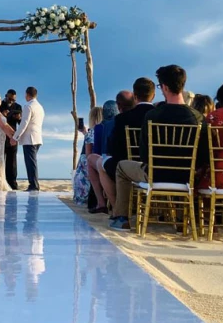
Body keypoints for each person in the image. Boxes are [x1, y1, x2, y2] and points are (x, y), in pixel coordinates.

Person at [110, 65, 208, 231]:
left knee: (121, 167)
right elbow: (203, 154)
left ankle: (122, 218)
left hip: (156, 175)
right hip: (186, 176)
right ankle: (180, 219)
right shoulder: (197, 117)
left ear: (165, 87)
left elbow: (144, 154)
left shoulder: (153, 116)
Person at [98, 78, 155, 210]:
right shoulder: (159, 116)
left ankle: (117, 210)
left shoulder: (122, 118)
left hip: (130, 166)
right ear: (153, 95)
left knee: (102, 163)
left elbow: (114, 149)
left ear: (135, 95)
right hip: (157, 167)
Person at [86, 100, 119, 213]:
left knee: (92, 160)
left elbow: (96, 152)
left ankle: (101, 202)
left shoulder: (100, 127)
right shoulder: (122, 122)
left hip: (109, 164)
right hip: (131, 163)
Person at [11, 87, 45, 192]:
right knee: (32, 162)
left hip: (29, 139)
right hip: (37, 137)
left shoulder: (28, 106)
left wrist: (15, 137)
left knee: (30, 163)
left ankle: (34, 185)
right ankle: (34, 184)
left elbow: (24, 124)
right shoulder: (40, 107)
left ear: (27, 95)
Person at [73, 106, 103, 205]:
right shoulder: (104, 130)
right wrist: (84, 132)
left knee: (83, 160)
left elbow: (88, 154)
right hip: (102, 160)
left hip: (90, 165)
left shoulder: (91, 133)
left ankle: (82, 197)